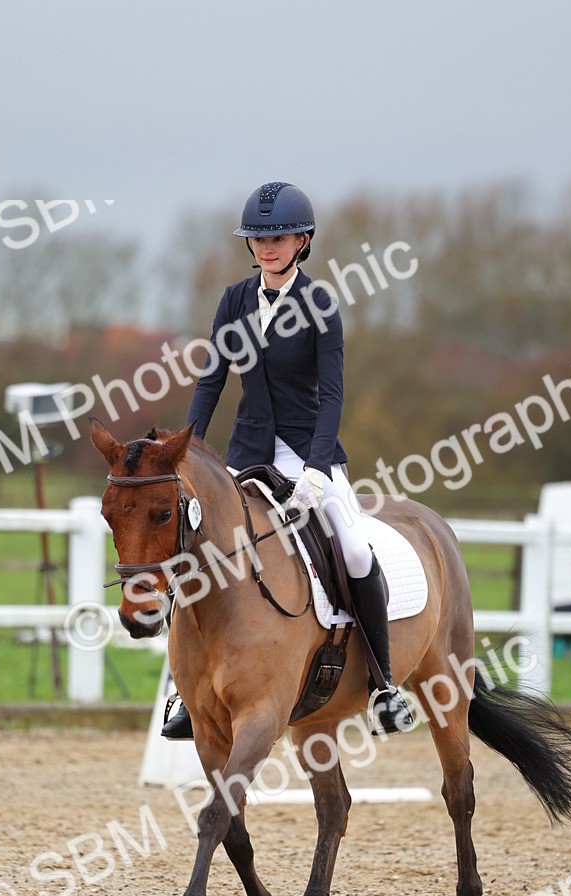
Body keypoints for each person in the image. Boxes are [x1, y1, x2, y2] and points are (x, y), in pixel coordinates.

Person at [162, 180, 413, 739]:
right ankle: (185, 692)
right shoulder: (233, 300)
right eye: (258, 238)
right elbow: (212, 381)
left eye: (278, 237)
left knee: (352, 548)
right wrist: (188, 450)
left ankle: (384, 684)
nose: (267, 247)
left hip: (310, 456)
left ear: (302, 240)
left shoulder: (320, 304)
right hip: (246, 456)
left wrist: (319, 471)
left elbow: (332, 397)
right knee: (192, 551)